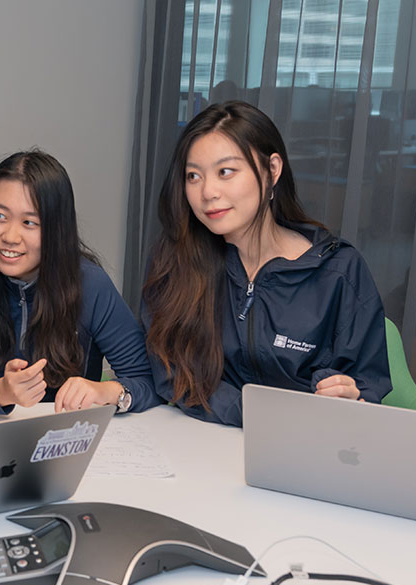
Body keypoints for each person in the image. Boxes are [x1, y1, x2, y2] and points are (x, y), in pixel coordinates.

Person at [141, 101, 391, 427]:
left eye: (225, 172)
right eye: (193, 176)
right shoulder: (176, 262)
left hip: (307, 447)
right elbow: (170, 373)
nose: (208, 192)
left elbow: (366, 385)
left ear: (272, 170)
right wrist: (261, 414)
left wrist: (351, 394)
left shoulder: (338, 271)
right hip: (203, 443)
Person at [0, 150, 159, 416]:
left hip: (70, 438)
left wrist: (106, 391)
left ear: (58, 229)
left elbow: (147, 382)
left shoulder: (91, 285)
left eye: (29, 222)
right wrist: (1, 391)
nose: (10, 236)